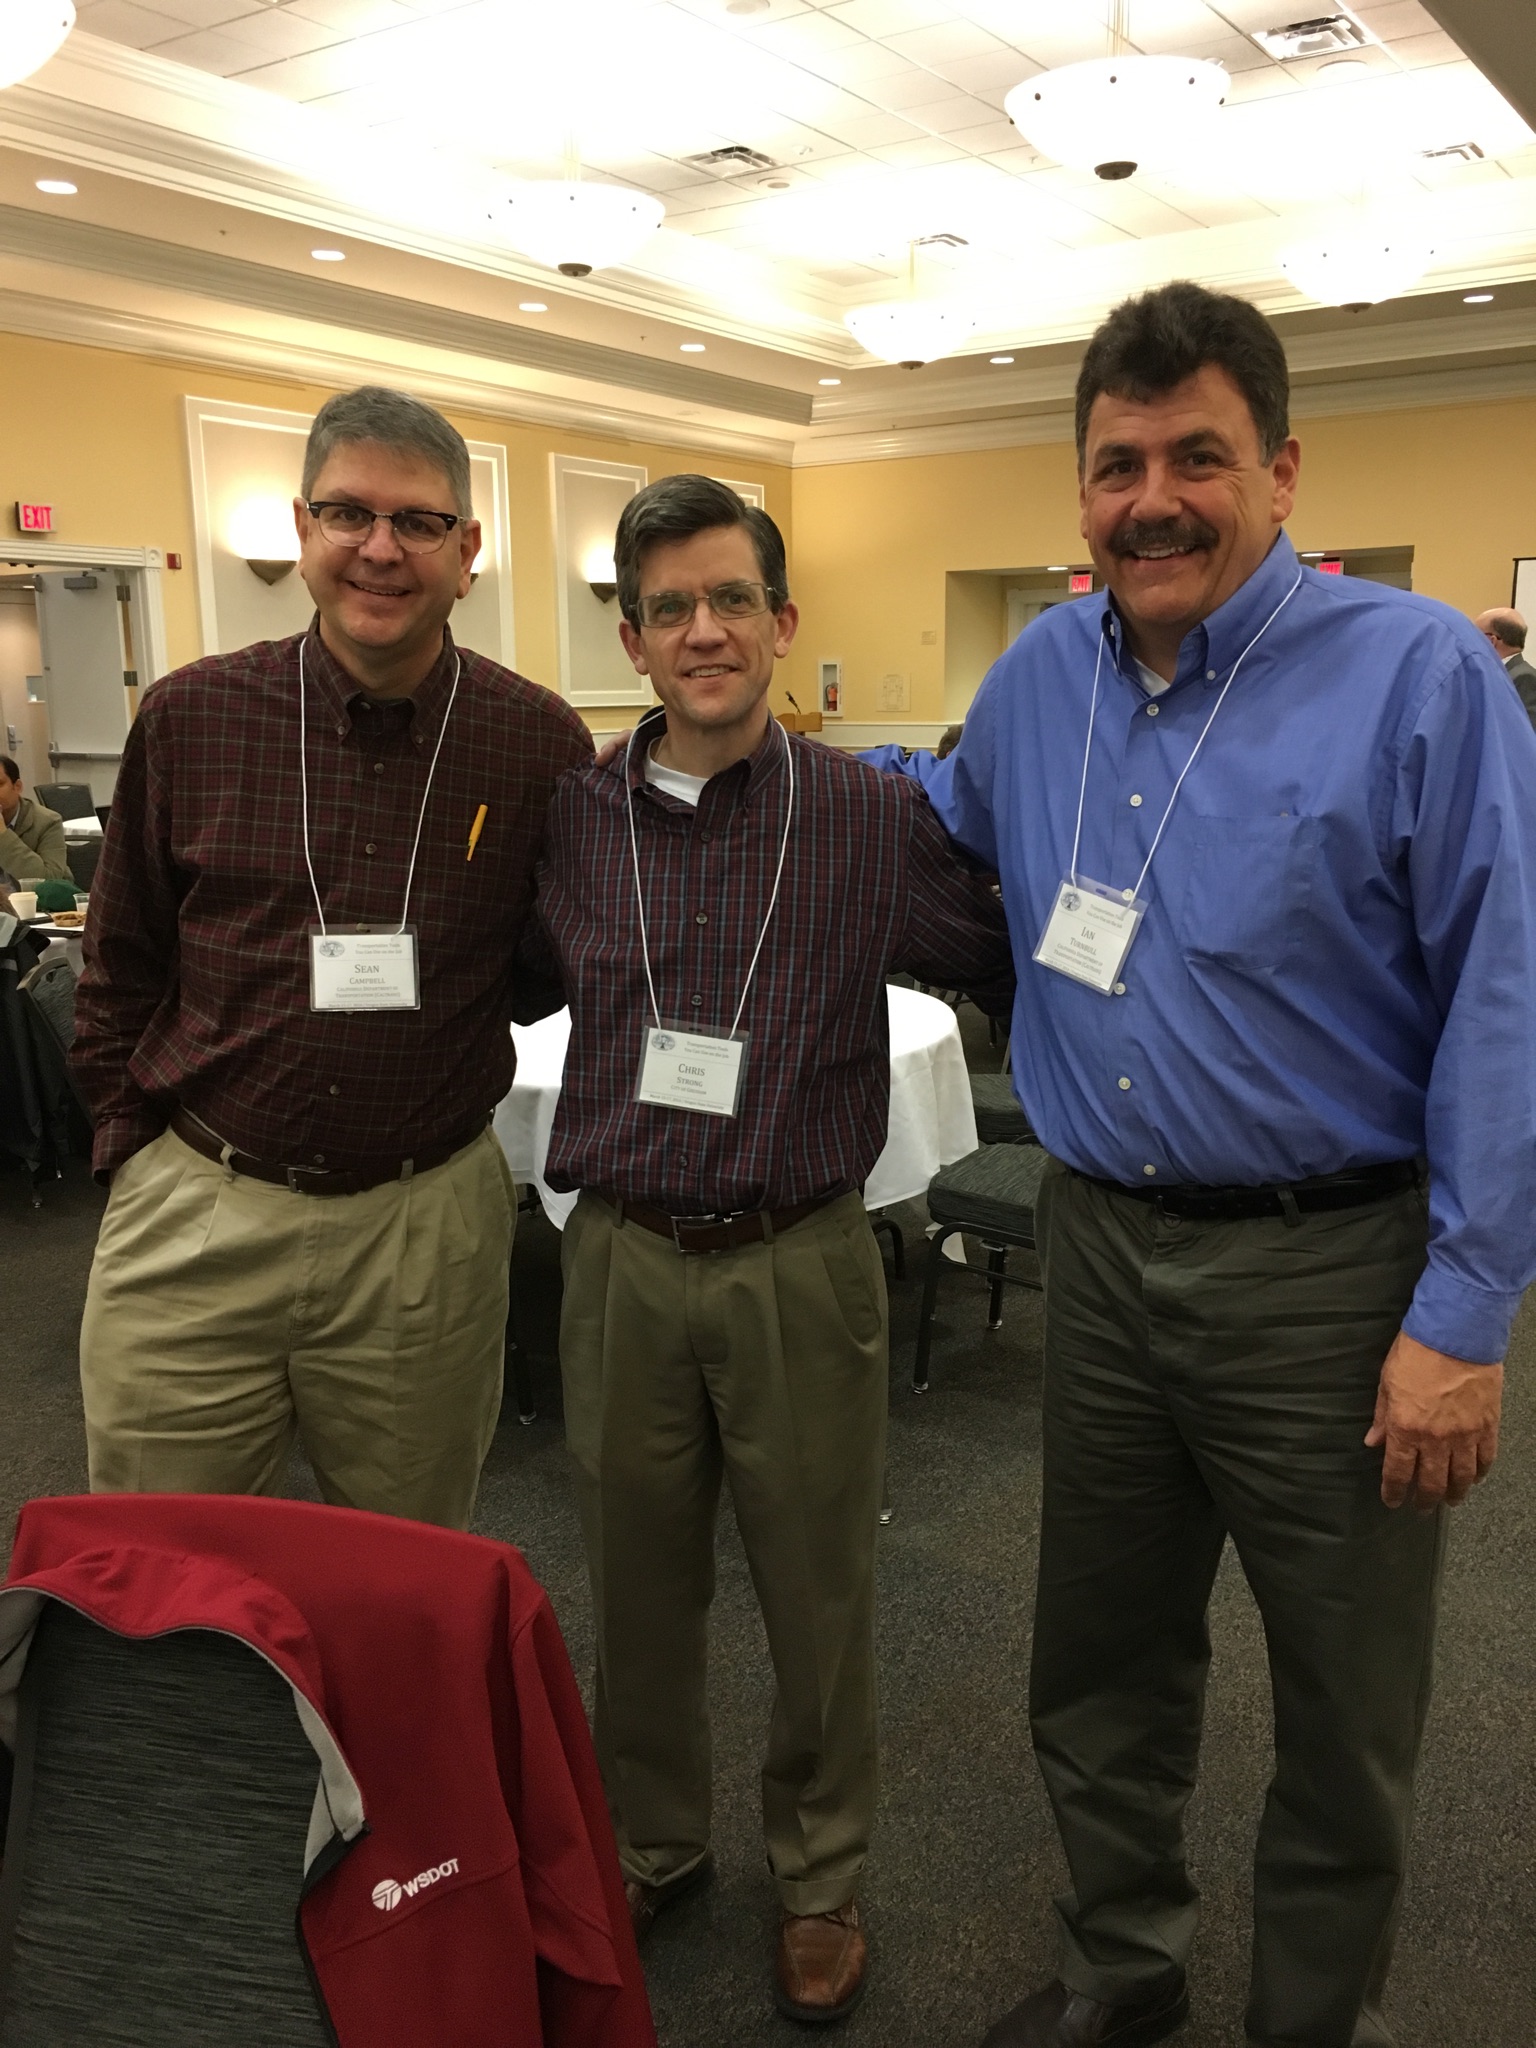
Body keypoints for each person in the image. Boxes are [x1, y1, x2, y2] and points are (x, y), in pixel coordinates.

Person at [874, 282, 1536, 2048]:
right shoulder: (1033, 683)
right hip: (1097, 1256)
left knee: (1343, 1693)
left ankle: (1314, 2018)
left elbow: (1506, 1000)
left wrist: (1465, 1309)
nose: (1151, 496)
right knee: (1097, 1657)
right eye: (1116, 463)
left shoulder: (1420, 676)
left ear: (1282, 469)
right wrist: (715, 756)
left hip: (1334, 1274)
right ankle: (1121, 1971)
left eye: (1196, 456)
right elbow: (919, 821)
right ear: (1075, 490)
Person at [533, 475, 1014, 2025]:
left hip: (798, 1253)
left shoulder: (871, 819)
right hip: (619, 1255)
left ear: (782, 621)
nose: (703, 630)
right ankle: (658, 1845)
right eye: (669, 607)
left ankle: (820, 1875)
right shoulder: (574, 820)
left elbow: (1012, 957)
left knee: (817, 1591)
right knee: (636, 1584)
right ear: (631, 637)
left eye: (731, 598)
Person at [72, 385, 591, 1530]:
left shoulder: (536, 740)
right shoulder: (193, 714)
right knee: (160, 1575)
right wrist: (134, 1163)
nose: (379, 547)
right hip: (201, 1208)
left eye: (416, 521)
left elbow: (542, 965)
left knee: (404, 1574)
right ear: (303, 531)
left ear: (468, 551)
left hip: (424, 1232)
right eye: (348, 512)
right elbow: (119, 963)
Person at [0, 755, 71, 883]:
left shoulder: (47, 821)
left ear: (17, 786)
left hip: (37, 901)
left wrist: (3, 835)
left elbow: (50, 880)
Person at [1473, 605, 1536, 723]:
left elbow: (1527, 732)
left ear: (1491, 641)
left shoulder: (1525, 678)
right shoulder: (1501, 673)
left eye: (1475, 636)